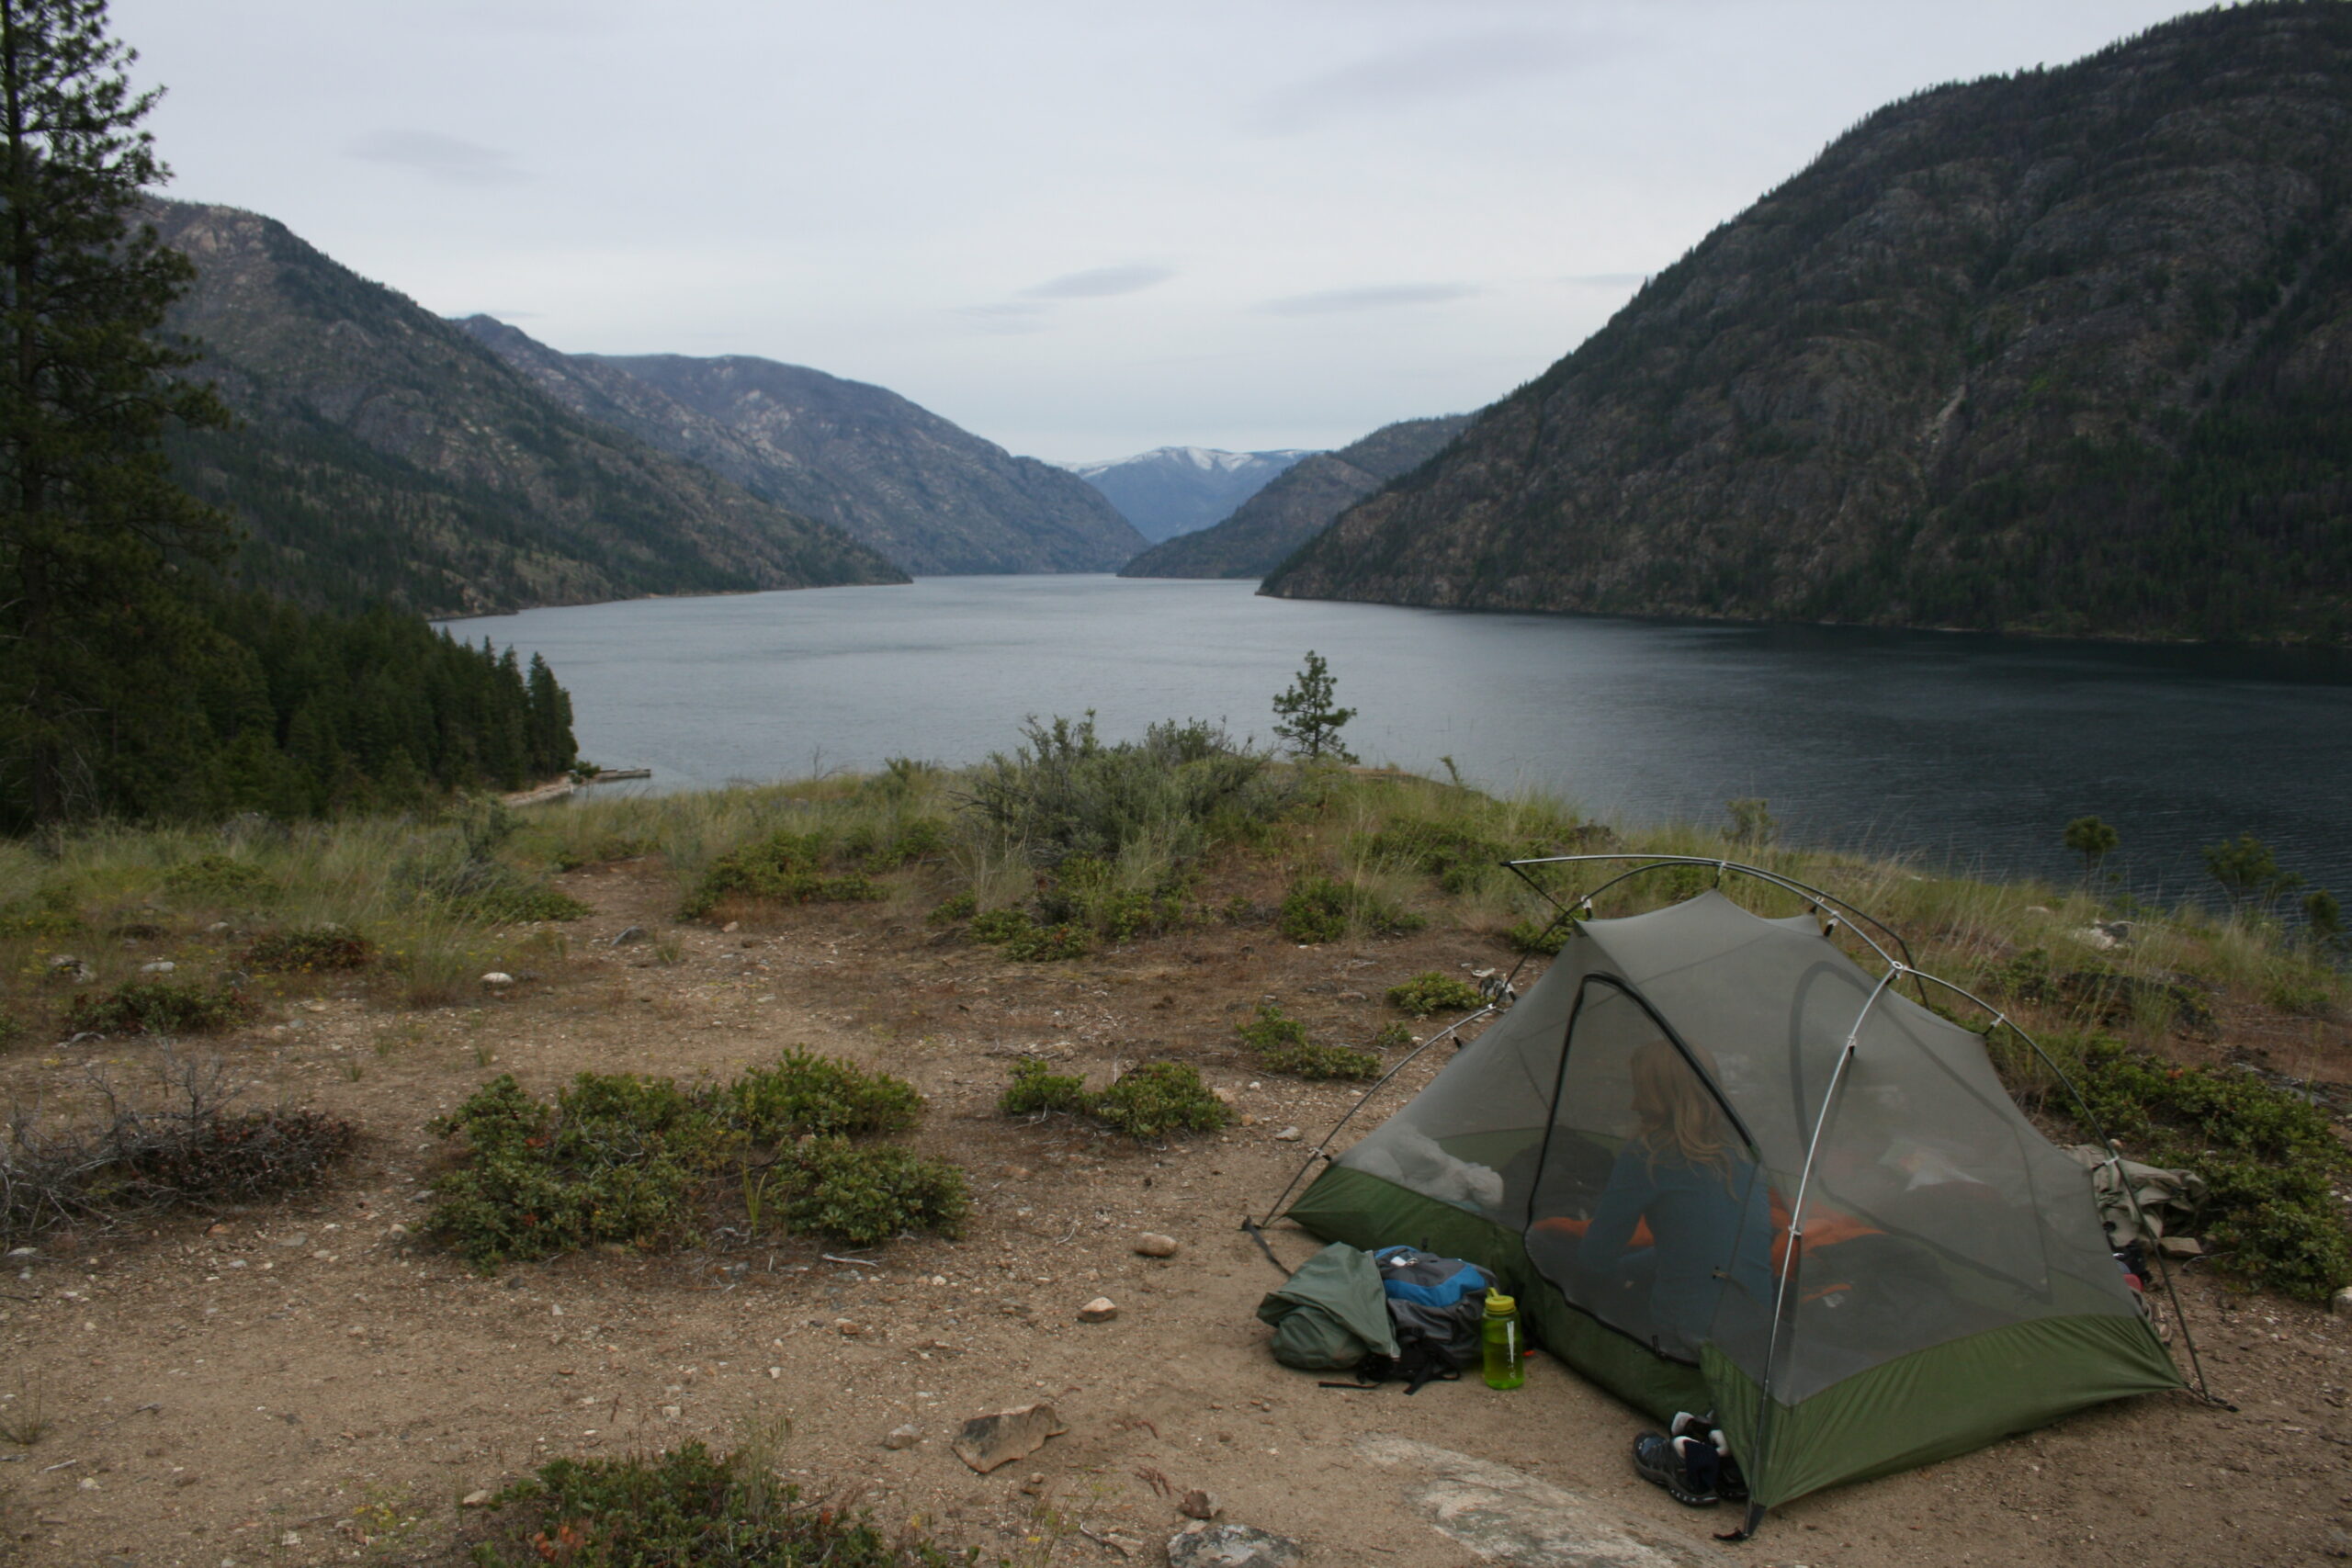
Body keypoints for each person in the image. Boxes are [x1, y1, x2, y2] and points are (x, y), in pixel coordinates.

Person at [1575, 1040, 1773, 1357]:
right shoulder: (1743, 1152)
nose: (1633, 1105)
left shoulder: (1649, 1155)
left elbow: (1595, 1257)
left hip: (1689, 1336)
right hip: (1759, 1329)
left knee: (1561, 1256)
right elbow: (1701, 1247)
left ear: (1662, 1099)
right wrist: (1630, 1267)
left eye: (1641, 1091)